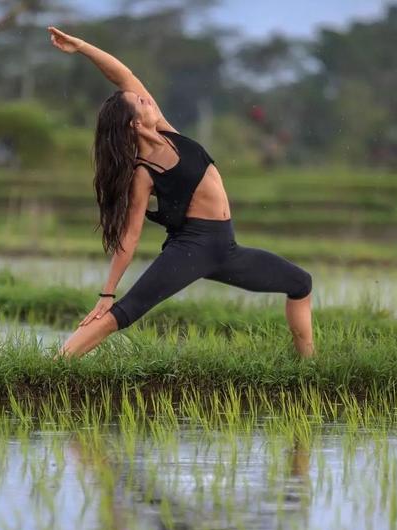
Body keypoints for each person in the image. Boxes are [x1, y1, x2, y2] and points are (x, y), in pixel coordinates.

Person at [47, 26, 314, 359]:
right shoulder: (144, 173)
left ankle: (308, 368)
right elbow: (129, 237)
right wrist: (107, 292)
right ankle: (56, 363)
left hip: (226, 248)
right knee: (122, 313)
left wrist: (83, 46)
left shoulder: (166, 131)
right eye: (140, 102)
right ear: (134, 124)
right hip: (191, 248)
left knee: (300, 284)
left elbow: (123, 75)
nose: (146, 98)